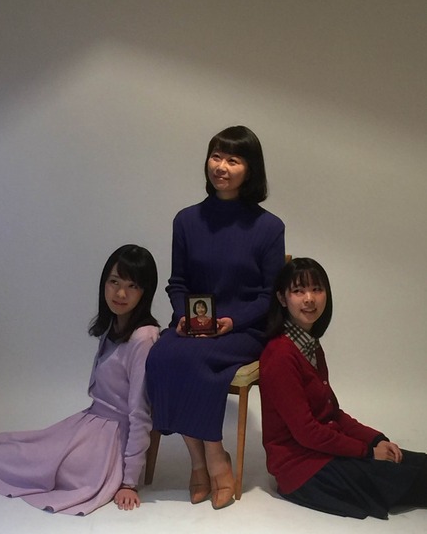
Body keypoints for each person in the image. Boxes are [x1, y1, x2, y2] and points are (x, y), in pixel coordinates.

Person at [146, 125, 285, 509]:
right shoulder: (186, 220)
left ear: (250, 169)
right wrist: (182, 317)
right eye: (216, 156)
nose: (221, 166)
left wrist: (232, 322)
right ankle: (200, 459)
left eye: (233, 160)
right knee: (160, 355)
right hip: (193, 327)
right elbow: (178, 283)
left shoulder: (269, 228)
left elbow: (270, 296)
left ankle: (215, 455)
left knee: (193, 360)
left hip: (244, 329)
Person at [0, 244, 160, 515]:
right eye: (114, 282)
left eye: (132, 286)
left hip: (109, 441)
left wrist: (129, 482)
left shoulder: (143, 338)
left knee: (40, 463)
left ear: (145, 292)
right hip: (88, 424)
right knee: (24, 447)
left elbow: (141, 414)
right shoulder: (114, 325)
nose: (120, 293)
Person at [259, 257, 427, 519]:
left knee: (416, 463)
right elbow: (306, 432)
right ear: (282, 298)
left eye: (316, 289)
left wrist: (375, 439)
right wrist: (367, 451)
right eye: (298, 291)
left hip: (322, 449)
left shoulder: (309, 345)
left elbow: (332, 414)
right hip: (302, 468)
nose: (309, 299)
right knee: (410, 480)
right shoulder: (280, 354)